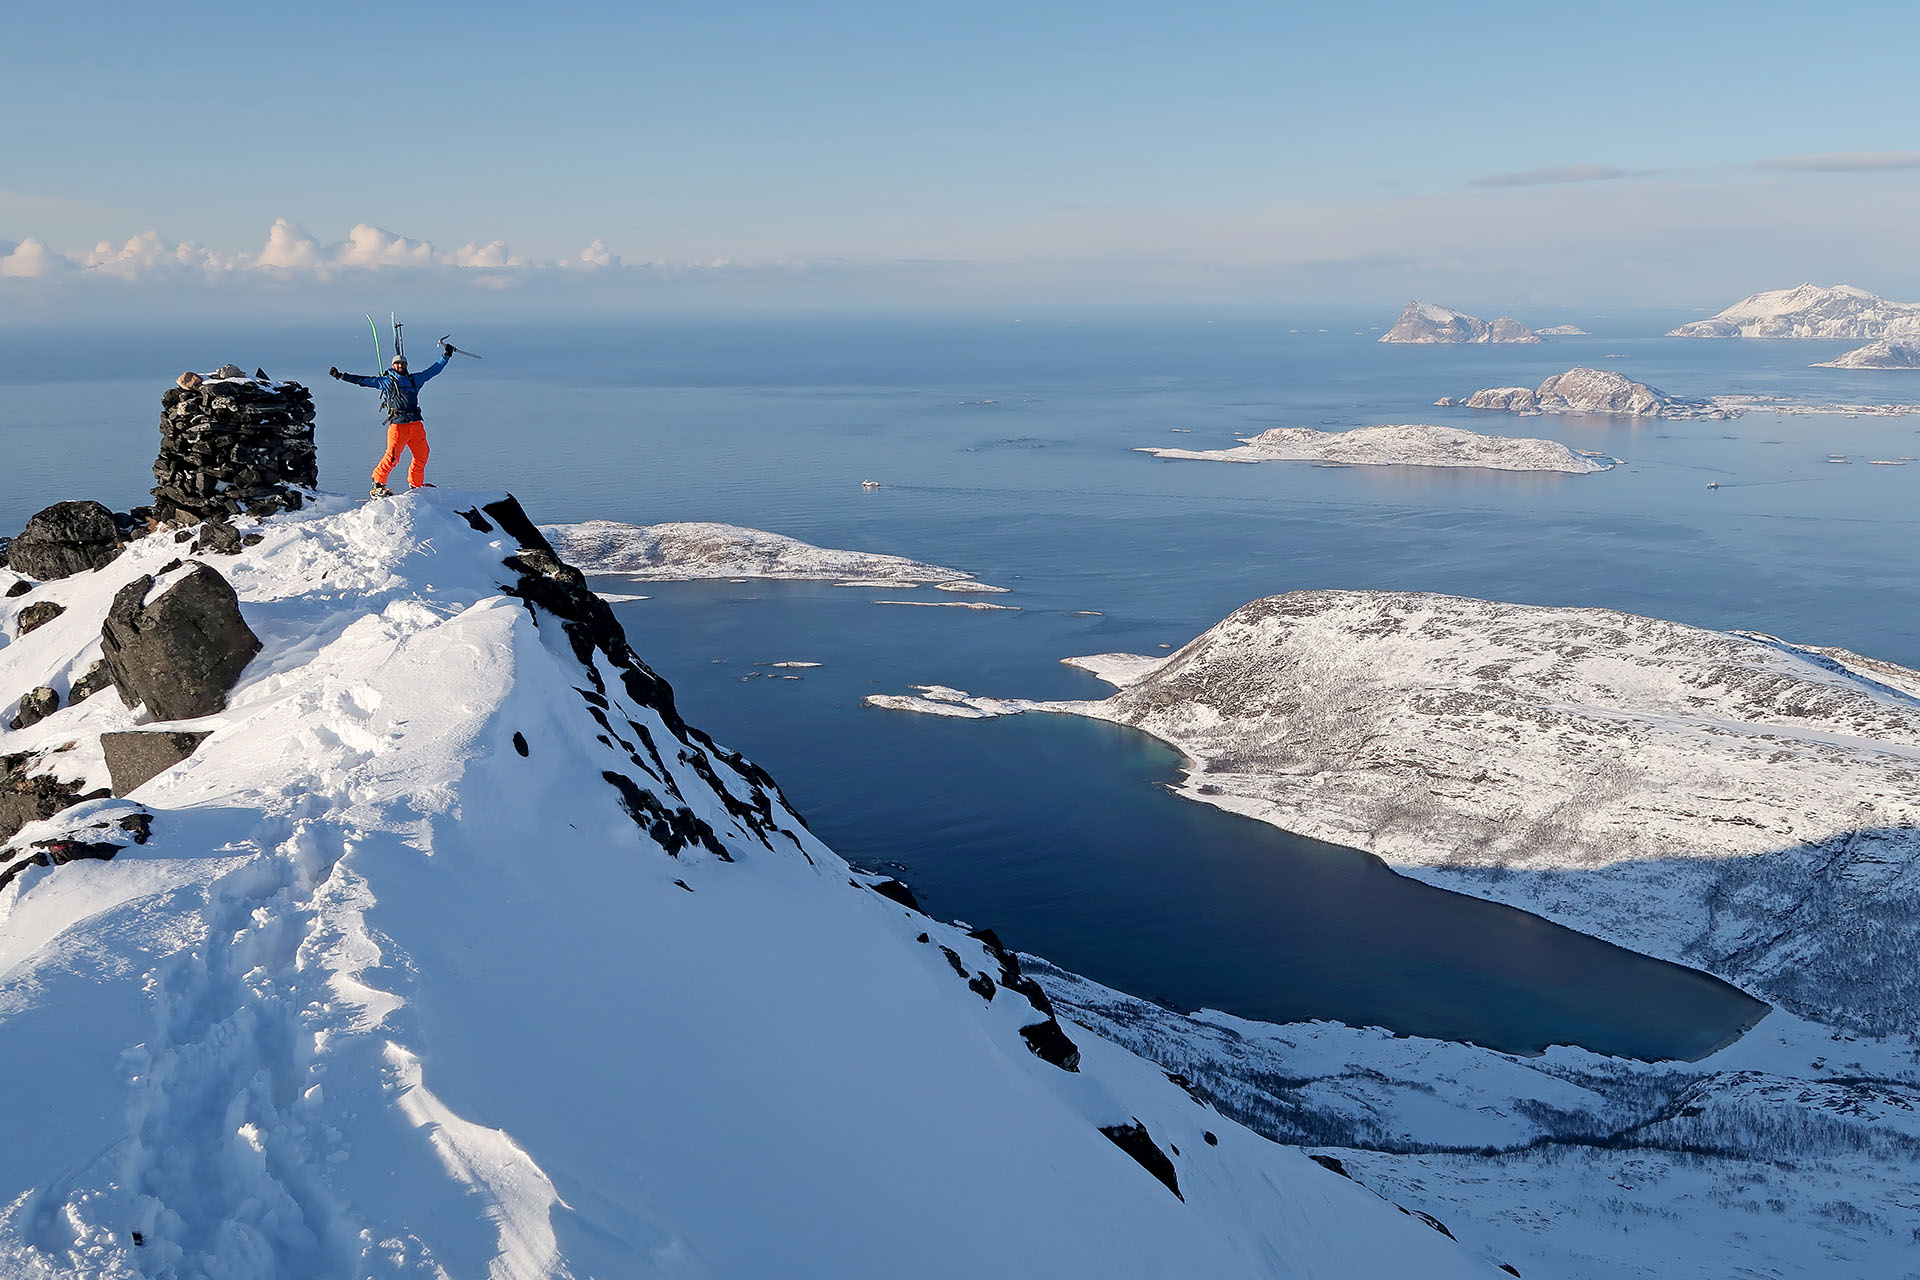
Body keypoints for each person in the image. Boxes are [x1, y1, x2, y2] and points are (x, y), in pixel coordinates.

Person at [330, 341, 456, 497]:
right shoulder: (387, 382)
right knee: (392, 456)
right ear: (393, 366)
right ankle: (378, 484)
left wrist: (446, 355)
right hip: (398, 425)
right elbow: (364, 381)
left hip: (415, 424)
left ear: (406, 365)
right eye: (397, 364)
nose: (400, 366)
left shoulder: (414, 380)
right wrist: (342, 376)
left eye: (402, 363)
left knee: (422, 454)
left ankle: (416, 484)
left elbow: (433, 371)